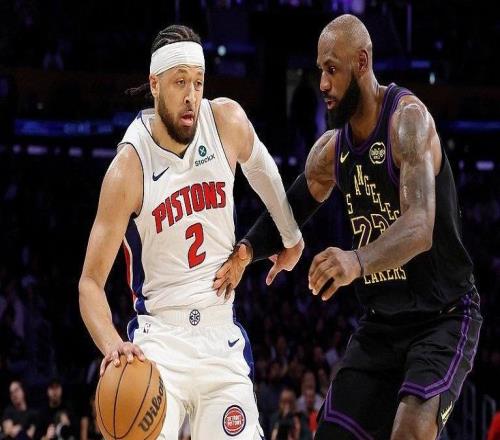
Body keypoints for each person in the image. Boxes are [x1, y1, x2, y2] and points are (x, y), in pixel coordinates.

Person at [214, 14, 482, 440]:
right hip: (382, 324)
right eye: (320, 70)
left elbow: (419, 226)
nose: (322, 83)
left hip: (442, 318)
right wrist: (247, 251)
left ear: (362, 62)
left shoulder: (407, 121)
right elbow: (291, 209)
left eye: (332, 70)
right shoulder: (332, 150)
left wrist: (356, 261)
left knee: (410, 432)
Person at [78, 24, 304, 439]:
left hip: (219, 338)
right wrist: (113, 345)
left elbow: (263, 169)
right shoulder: (129, 167)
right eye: (179, 82)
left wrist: (290, 236)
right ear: (154, 84)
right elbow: (89, 284)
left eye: (198, 82)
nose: (191, 96)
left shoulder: (225, 121)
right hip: (159, 344)